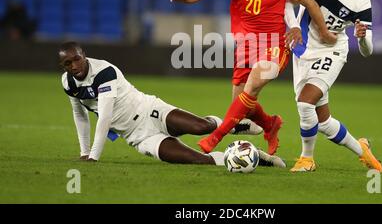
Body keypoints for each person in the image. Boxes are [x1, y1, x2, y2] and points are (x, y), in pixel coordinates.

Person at [170, 0, 337, 155]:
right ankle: (270, 124)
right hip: (245, 47)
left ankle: (215, 138)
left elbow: (309, 2)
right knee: (243, 106)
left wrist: (325, 32)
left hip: (274, 45)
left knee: (253, 86)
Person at [59, 41, 285, 167]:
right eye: (67, 63)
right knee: (199, 161)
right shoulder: (68, 83)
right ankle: (255, 156)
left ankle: (236, 125)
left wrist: (93, 157)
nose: (74, 65)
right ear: (63, 66)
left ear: (84, 56)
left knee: (202, 127)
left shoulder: (104, 73)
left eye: (77, 59)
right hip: (139, 138)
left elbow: (105, 117)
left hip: (149, 110)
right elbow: (79, 115)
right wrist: (84, 151)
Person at [285, 0, 382, 173]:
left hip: (332, 52)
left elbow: (368, 49)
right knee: (323, 123)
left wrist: (361, 39)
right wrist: (293, 25)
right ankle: (362, 150)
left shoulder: (362, 4)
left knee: (304, 102)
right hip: (303, 50)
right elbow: (289, 0)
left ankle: (306, 159)